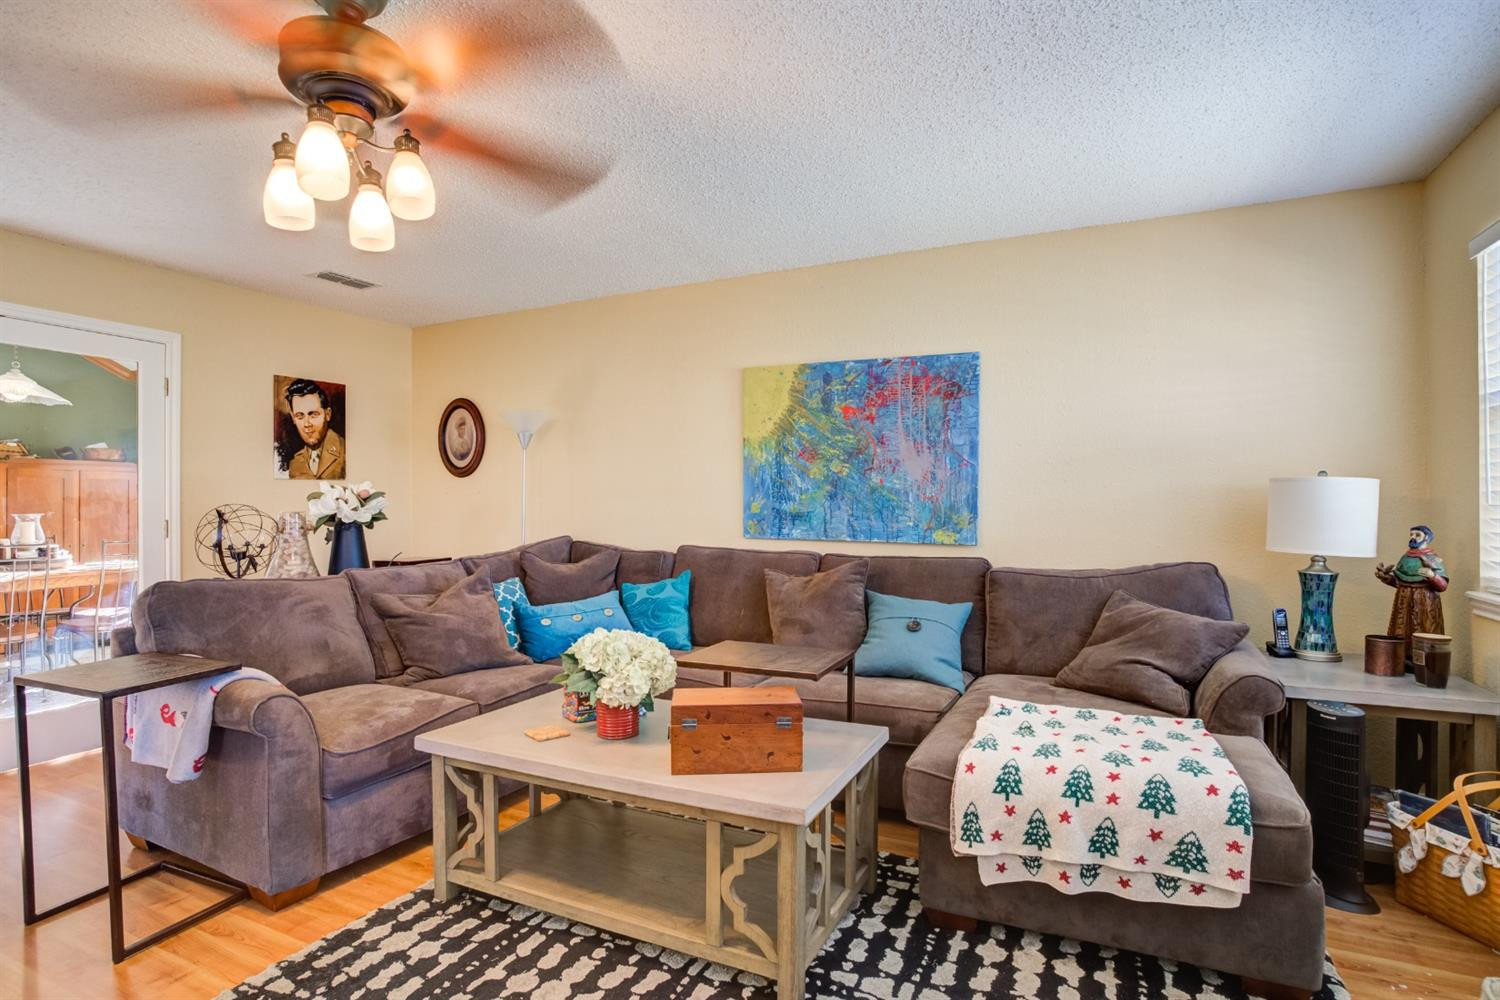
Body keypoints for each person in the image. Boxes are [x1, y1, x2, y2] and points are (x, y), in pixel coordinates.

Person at [1375, 523, 1448, 651]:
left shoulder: (1433, 559)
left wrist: (1432, 575)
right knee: (1401, 631)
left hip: (1425, 602)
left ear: (1426, 538)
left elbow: (1442, 586)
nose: (1413, 537)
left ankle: (1423, 663)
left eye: (1417, 535)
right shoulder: (1406, 557)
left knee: (1424, 631)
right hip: (1403, 601)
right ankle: (1400, 659)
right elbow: (1400, 582)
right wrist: (1387, 578)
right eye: (1411, 534)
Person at [283, 378, 345, 479]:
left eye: (313, 415)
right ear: (293, 418)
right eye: (300, 416)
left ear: (328, 414)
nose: (307, 424)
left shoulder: (345, 451)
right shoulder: (295, 463)